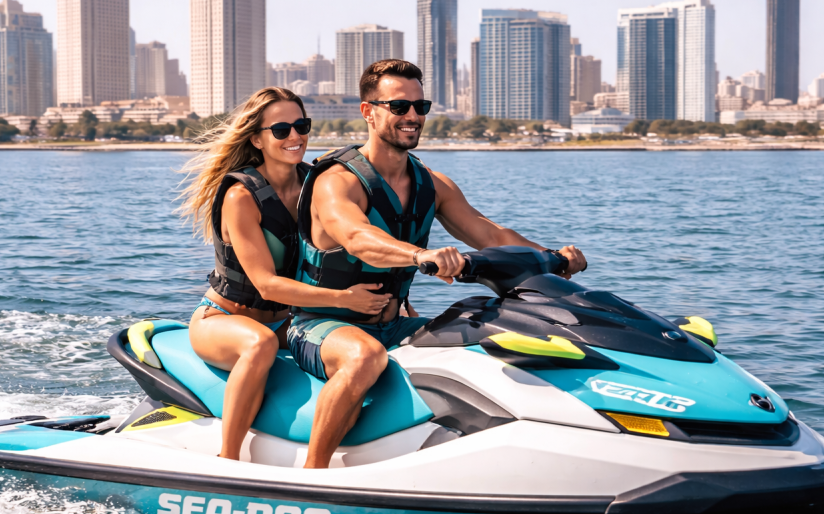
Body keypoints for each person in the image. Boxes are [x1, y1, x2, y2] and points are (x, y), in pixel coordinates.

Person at [289, 60, 588, 469]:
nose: (412, 116)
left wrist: (554, 259)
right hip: (321, 326)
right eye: (398, 106)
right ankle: (315, 476)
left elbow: (491, 236)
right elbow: (358, 238)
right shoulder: (337, 180)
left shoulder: (433, 184)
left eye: (420, 105)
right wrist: (420, 255)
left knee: (495, 334)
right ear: (368, 111)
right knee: (363, 357)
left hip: (394, 323)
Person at [177, 87, 390, 461]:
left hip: (290, 323)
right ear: (257, 139)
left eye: (301, 125)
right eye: (281, 130)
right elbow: (266, 283)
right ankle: (228, 460)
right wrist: (344, 299)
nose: (295, 137)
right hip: (225, 319)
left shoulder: (319, 183)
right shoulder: (240, 197)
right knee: (259, 345)